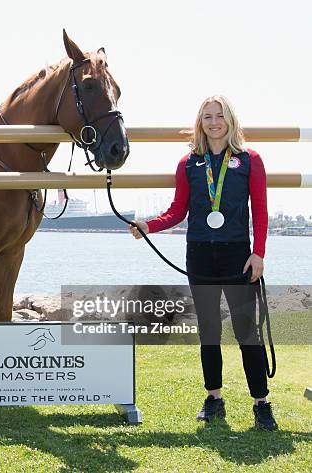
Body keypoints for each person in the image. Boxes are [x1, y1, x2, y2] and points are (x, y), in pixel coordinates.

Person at [129, 95, 278, 431]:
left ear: (230, 120)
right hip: (199, 255)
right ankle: (214, 397)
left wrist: (260, 253)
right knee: (209, 331)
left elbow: (261, 212)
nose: (214, 122)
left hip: (238, 256)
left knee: (245, 332)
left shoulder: (250, 160)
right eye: (207, 116)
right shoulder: (188, 164)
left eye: (219, 115)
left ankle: (261, 402)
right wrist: (148, 225)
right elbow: (177, 211)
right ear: (201, 122)